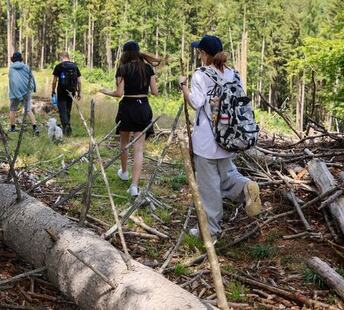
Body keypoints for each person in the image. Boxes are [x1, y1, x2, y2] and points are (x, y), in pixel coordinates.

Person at [179, 34, 262, 240]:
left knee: (209, 189)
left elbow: (196, 103)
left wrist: (184, 87)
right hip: (229, 138)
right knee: (227, 177)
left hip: (207, 140)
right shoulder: (233, 74)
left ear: (204, 54)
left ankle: (211, 232)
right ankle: (245, 188)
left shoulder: (201, 74)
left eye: (200, 52)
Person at [99, 41, 159, 197]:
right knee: (139, 149)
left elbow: (119, 93)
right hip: (143, 107)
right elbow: (155, 92)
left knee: (124, 143)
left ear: (125, 54)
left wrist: (105, 91)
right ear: (138, 53)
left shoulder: (123, 69)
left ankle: (124, 172)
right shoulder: (148, 68)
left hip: (127, 107)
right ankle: (134, 186)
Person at [8, 51, 38, 136]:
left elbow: (12, 82)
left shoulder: (11, 68)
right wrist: (34, 88)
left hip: (15, 92)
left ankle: (12, 128)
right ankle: (35, 127)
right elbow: (31, 77)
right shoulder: (26, 67)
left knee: (12, 109)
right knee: (28, 109)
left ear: (13, 59)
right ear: (21, 59)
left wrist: (17, 95)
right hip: (26, 90)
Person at [52, 52, 81, 135]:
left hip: (61, 90)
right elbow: (79, 81)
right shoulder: (74, 66)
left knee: (62, 109)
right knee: (68, 110)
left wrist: (53, 91)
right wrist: (79, 92)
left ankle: (66, 127)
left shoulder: (59, 66)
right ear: (68, 57)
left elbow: (54, 81)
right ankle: (68, 128)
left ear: (62, 57)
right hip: (72, 90)